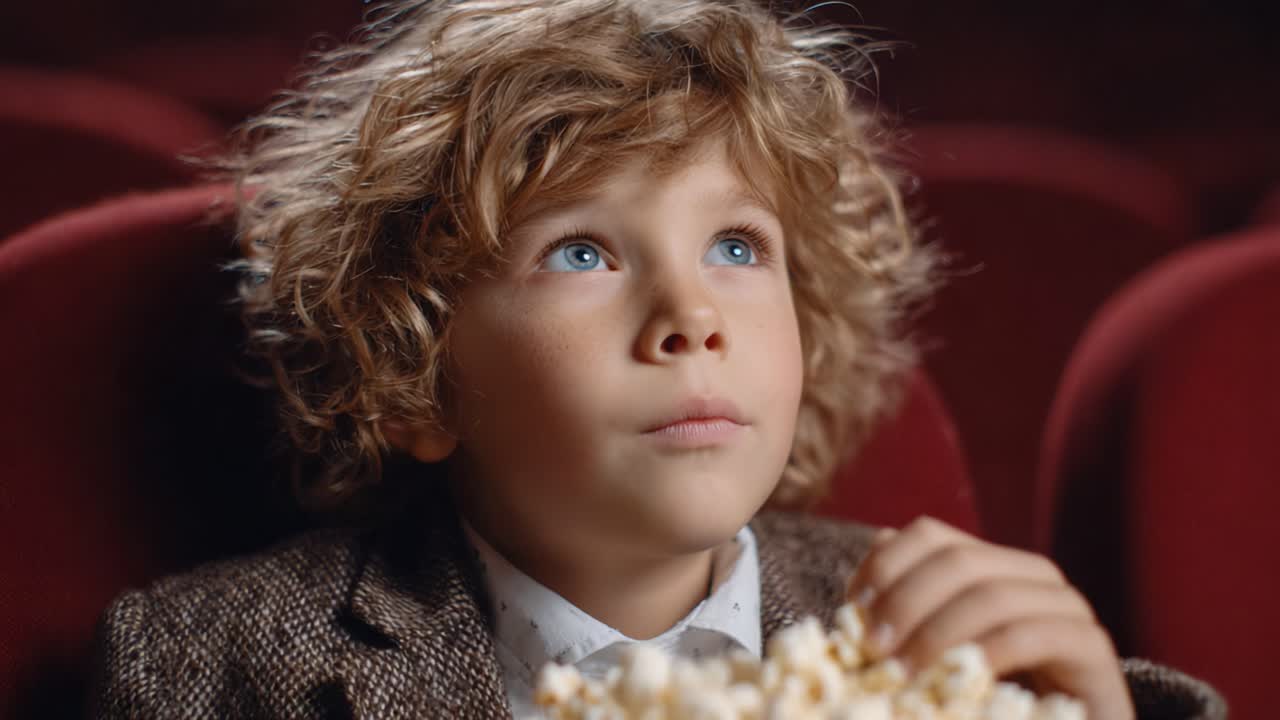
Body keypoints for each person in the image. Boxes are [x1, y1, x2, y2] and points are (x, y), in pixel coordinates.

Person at [88, 1, 1225, 718]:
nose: (689, 314)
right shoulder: (203, 669)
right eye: (580, 251)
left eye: (736, 245)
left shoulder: (955, 644)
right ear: (416, 374)